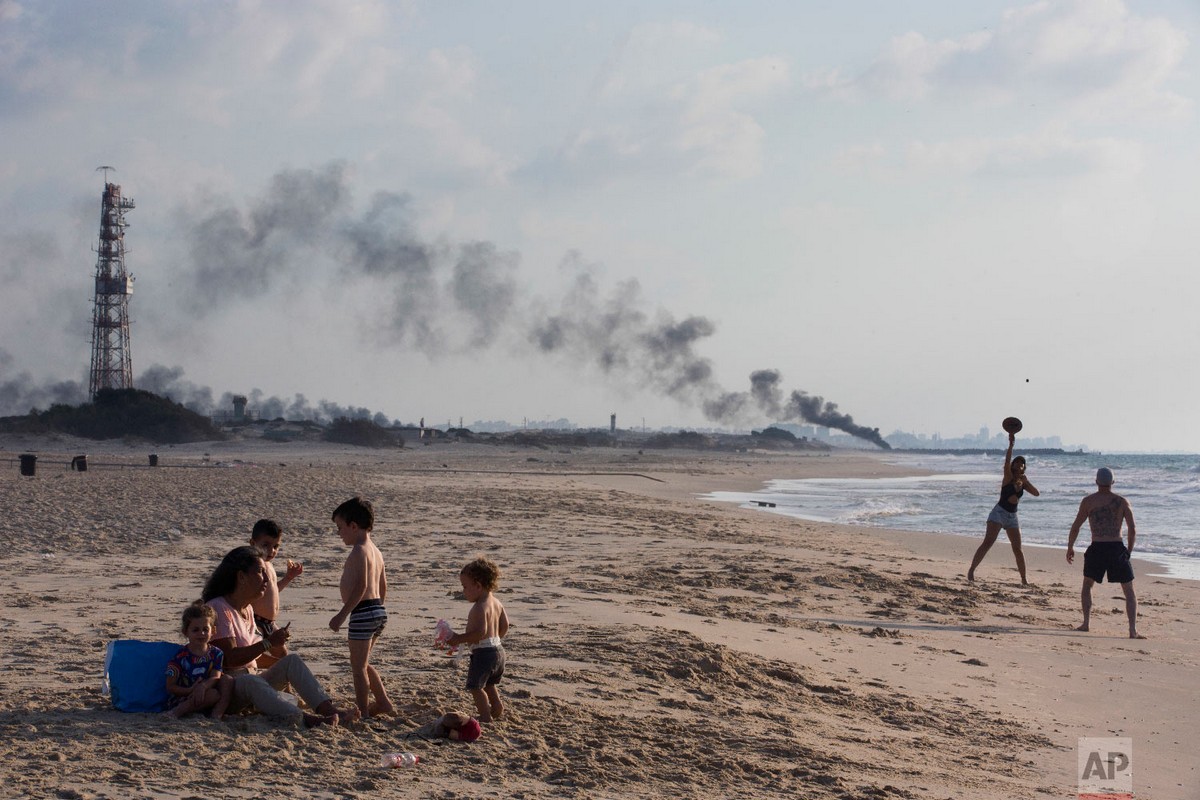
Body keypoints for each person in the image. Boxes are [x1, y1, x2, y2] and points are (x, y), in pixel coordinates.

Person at [202, 546, 359, 727]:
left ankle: (329, 711)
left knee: (291, 661)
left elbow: (252, 659)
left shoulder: (248, 609)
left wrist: (279, 661)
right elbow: (229, 659)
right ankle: (306, 719)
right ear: (241, 577)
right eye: (261, 573)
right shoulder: (219, 608)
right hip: (228, 690)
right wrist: (268, 643)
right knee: (250, 681)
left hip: (249, 680)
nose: (267, 580)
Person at [328, 497, 394, 718]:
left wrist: (342, 615)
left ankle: (363, 712)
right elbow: (383, 586)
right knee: (363, 663)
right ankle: (383, 702)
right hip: (377, 610)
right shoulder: (376, 551)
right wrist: (378, 610)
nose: (339, 533)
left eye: (340, 528)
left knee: (357, 669)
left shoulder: (359, 550)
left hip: (363, 612)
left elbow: (361, 586)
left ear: (353, 526)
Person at [1067, 467, 1144, 639]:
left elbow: (1076, 526)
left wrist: (1070, 546)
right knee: (1128, 590)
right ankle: (1132, 630)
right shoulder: (1122, 502)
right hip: (1116, 547)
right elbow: (1132, 528)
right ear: (1113, 483)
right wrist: (1129, 550)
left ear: (1096, 482)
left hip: (1097, 547)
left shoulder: (1088, 502)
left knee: (1087, 585)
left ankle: (1086, 623)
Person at [968, 431, 1040, 584]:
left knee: (1017, 549)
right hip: (999, 513)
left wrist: (1027, 482)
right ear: (1013, 465)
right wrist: (1011, 445)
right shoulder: (1007, 476)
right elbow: (1006, 461)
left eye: (1022, 463)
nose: (1020, 465)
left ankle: (1024, 579)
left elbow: (1036, 493)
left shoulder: (1023, 482)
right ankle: (972, 570)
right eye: (1017, 462)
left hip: (1012, 517)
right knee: (988, 543)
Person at [445, 556, 510, 722]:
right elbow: (505, 626)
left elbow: (481, 632)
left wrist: (458, 638)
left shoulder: (479, 607)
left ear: (478, 585)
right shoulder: (496, 603)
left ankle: (485, 716)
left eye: (465, 586)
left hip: (484, 653)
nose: (463, 591)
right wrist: (495, 641)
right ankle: (497, 707)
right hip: (498, 651)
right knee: (489, 684)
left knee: (475, 687)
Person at [165, 602, 234, 720]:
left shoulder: (216, 653)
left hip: (207, 692)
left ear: (213, 631)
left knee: (228, 680)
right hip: (185, 697)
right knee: (213, 695)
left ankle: (216, 715)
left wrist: (202, 687)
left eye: (205, 629)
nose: (201, 633)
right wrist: (190, 690)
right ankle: (177, 712)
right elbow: (170, 686)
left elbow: (215, 677)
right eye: (195, 630)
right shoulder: (181, 656)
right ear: (185, 632)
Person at [248, 518, 303, 667]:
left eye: (276, 546)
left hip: (269, 623)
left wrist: (288, 577)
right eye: (265, 545)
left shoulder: (269, 566)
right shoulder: (254, 566)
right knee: (256, 657)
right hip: (255, 620)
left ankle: (285, 686)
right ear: (253, 543)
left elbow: (273, 590)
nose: (271, 550)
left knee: (282, 654)